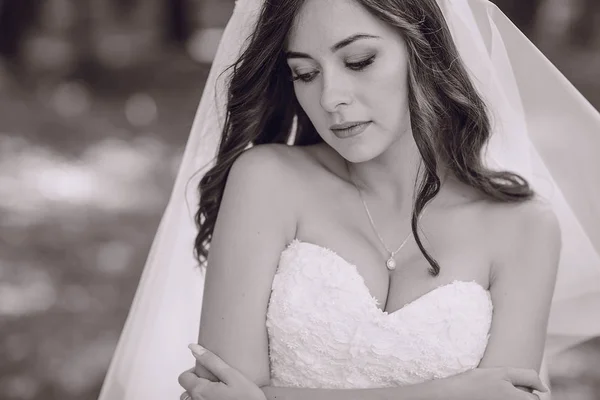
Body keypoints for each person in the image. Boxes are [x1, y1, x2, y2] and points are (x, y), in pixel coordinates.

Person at [97, 0, 600, 399]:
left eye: (358, 60)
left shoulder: (525, 227)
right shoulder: (267, 181)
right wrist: (445, 394)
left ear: (425, 51)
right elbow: (218, 393)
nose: (330, 96)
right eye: (305, 73)